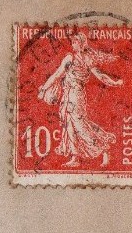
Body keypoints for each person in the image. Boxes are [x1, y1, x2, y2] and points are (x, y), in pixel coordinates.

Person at [37, 32, 123, 168]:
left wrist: (114, 82)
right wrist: (44, 89)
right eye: (73, 42)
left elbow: (100, 76)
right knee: (69, 125)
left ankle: (104, 149)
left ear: (83, 44)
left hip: (77, 96)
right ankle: (75, 156)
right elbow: (57, 75)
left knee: (80, 125)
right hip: (67, 95)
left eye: (76, 42)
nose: (73, 44)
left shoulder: (87, 59)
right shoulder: (69, 58)